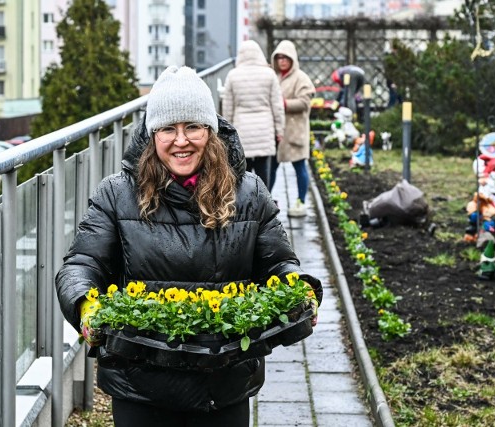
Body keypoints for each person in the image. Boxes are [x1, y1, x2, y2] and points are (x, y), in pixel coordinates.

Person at [55, 66, 322, 427]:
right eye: (168, 129)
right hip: (140, 384)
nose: (181, 141)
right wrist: (86, 303)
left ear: (210, 131)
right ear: (153, 135)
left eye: (192, 127)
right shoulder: (117, 194)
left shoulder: (249, 193)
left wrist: (297, 290)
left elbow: (278, 263)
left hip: (223, 381)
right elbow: (82, 263)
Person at [222, 40, 285, 189]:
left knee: (243, 172)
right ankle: (265, 205)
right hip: (264, 129)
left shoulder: (233, 75)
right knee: (264, 172)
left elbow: (228, 107)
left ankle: (247, 207)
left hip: (242, 130)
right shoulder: (269, 74)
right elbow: (277, 105)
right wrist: (280, 130)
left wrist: (226, 133)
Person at [270, 40, 316, 217]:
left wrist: (283, 104)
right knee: (271, 167)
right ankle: (267, 199)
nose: (282, 61)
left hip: (295, 130)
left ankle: (301, 201)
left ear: (292, 59)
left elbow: (305, 102)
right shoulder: (273, 76)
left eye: (285, 57)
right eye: (279, 57)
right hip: (278, 131)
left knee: (299, 166)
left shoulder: (301, 78)